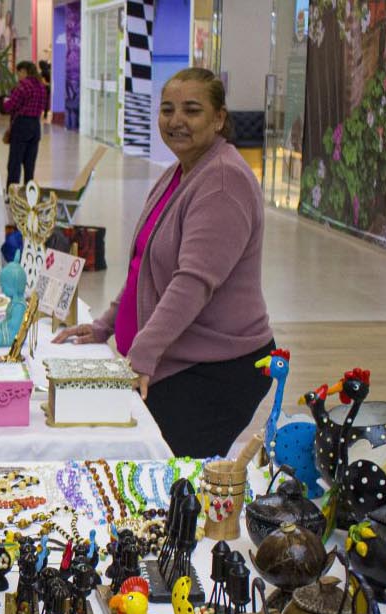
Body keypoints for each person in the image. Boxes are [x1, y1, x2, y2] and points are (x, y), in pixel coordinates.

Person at [53, 68, 275, 458]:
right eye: (167, 109)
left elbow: (191, 284)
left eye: (192, 110)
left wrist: (141, 356)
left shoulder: (222, 181)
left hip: (219, 369)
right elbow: (146, 267)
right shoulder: (180, 173)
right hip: (184, 360)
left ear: (219, 118)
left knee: (162, 476)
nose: (176, 121)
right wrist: (105, 325)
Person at [2, 61, 49, 188]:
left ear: (24, 71)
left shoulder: (23, 86)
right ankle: (29, 195)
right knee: (29, 165)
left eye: (19, 73)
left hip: (22, 126)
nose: (18, 76)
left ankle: (12, 194)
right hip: (35, 126)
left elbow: (10, 106)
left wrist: (6, 101)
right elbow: (43, 106)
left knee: (14, 164)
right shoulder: (41, 87)